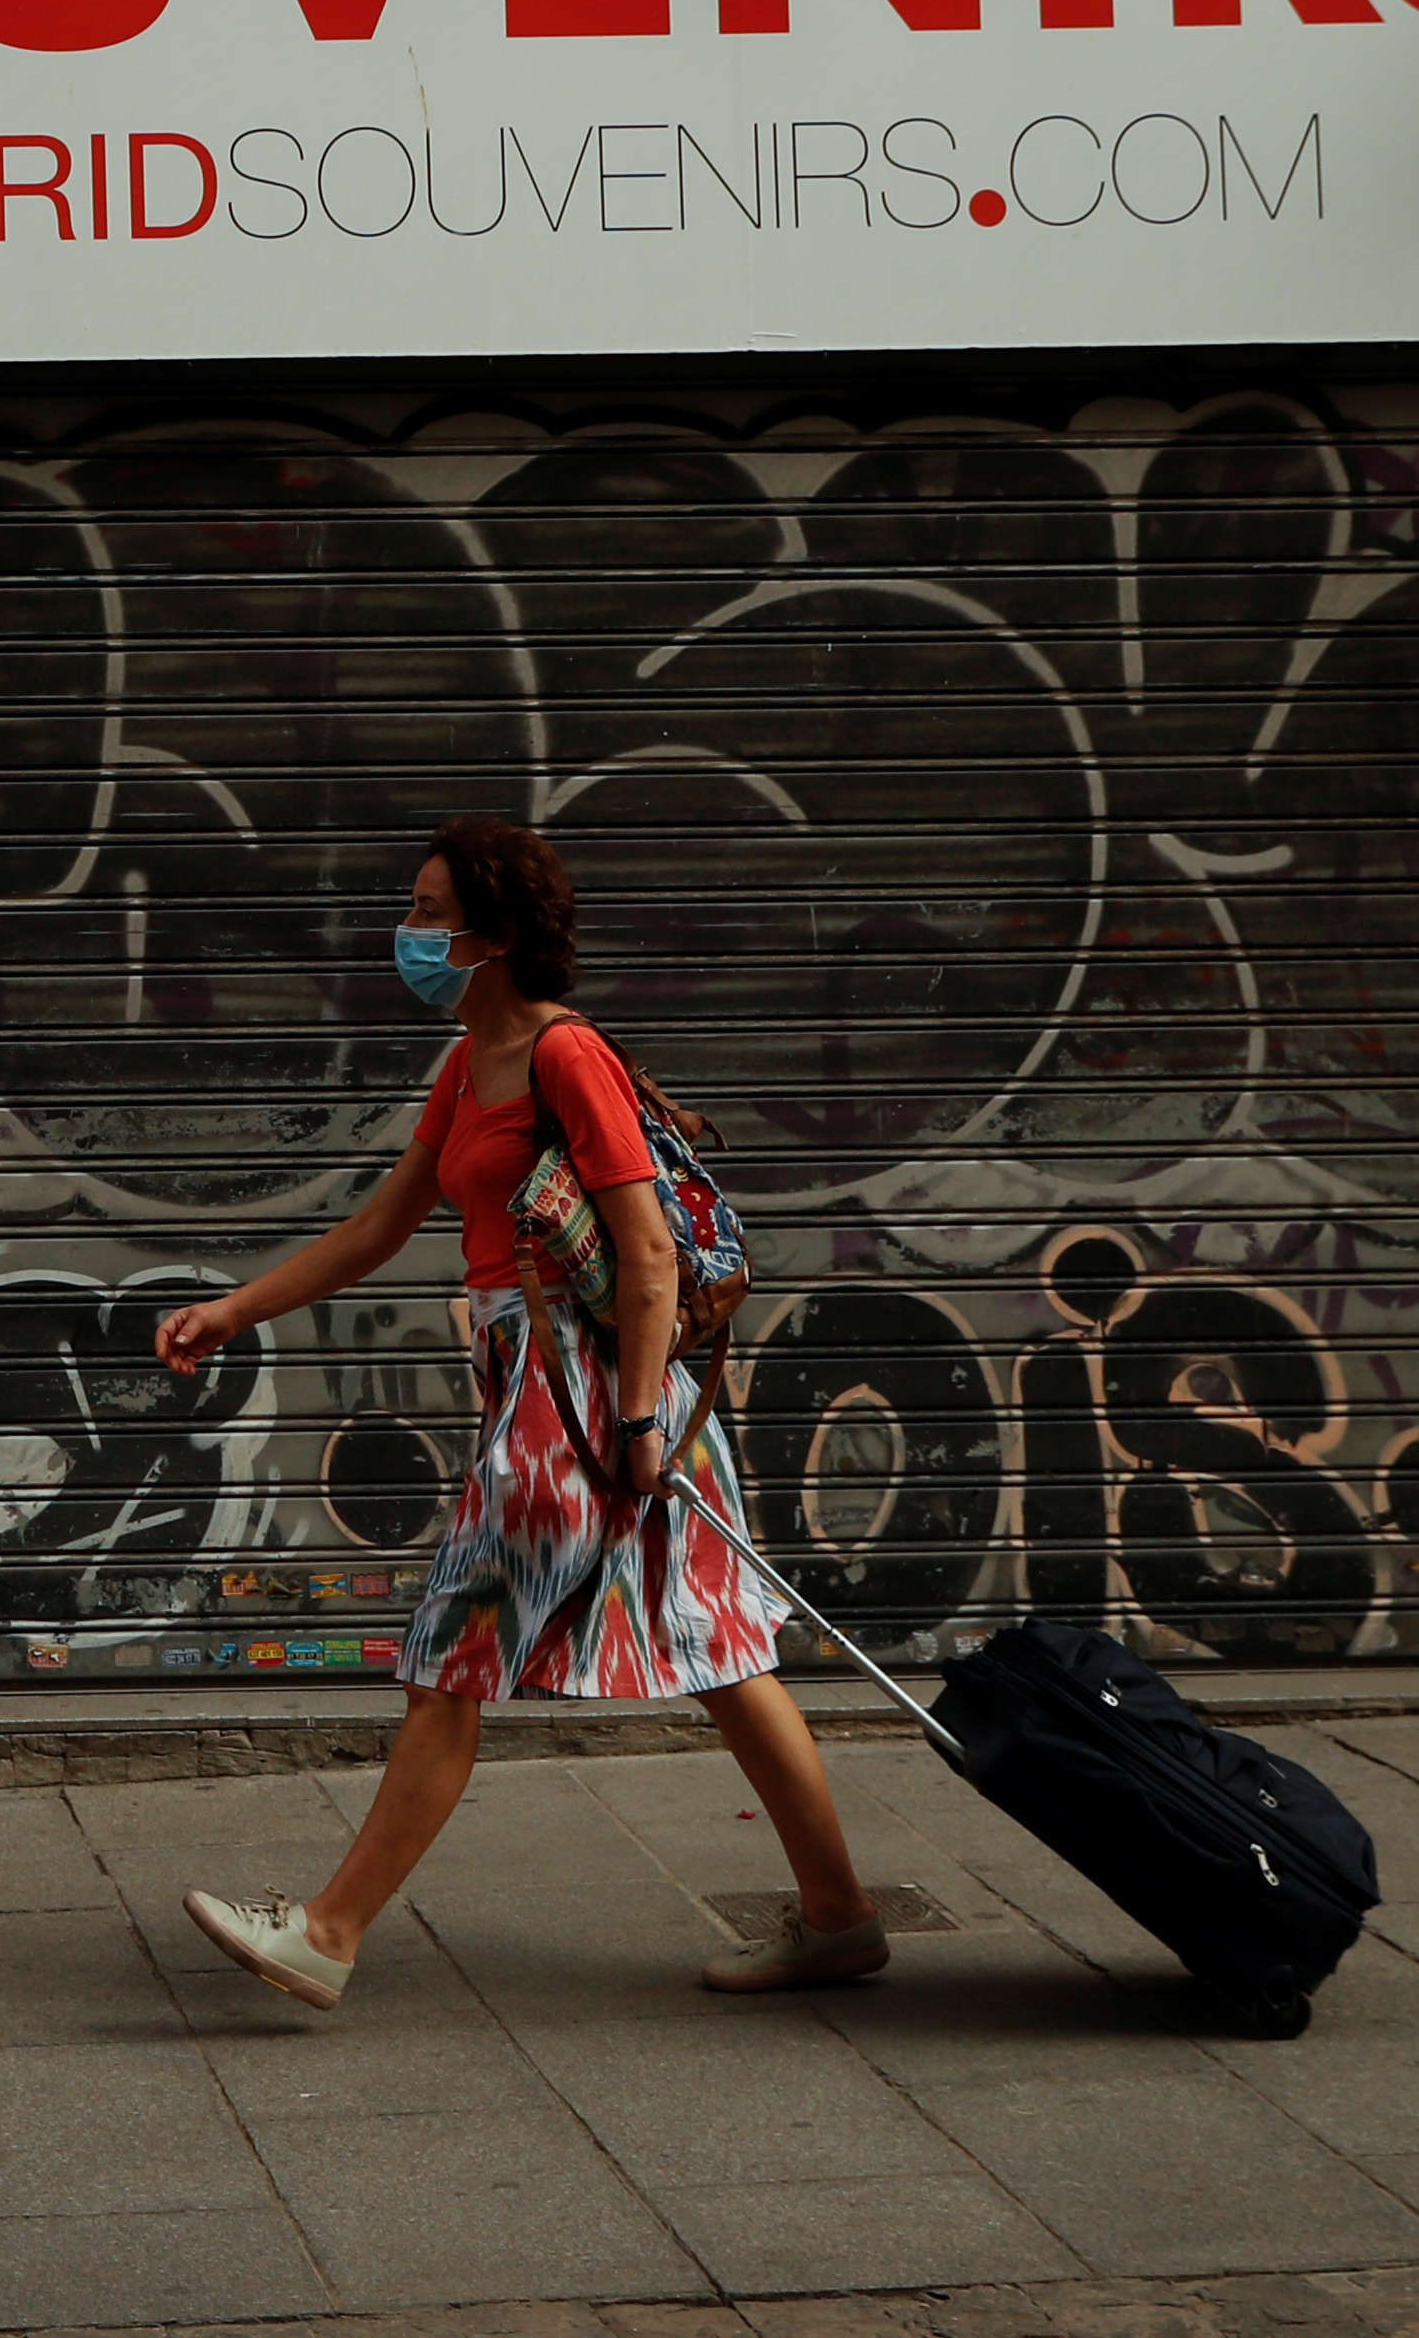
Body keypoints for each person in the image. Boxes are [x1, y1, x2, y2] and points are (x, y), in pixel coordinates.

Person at [163, 815, 890, 2006]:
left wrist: (642, 1421)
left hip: (590, 1400)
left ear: (490, 937)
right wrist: (231, 1312)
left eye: (424, 913)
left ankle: (329, 1933)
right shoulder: (466, 1067)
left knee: (456, 1651)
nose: (404, 932)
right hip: (566, 1386)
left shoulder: (568, 1056)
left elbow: (650, 1256)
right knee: (717, 1648)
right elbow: (382, 1225)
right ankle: (841, 1918)